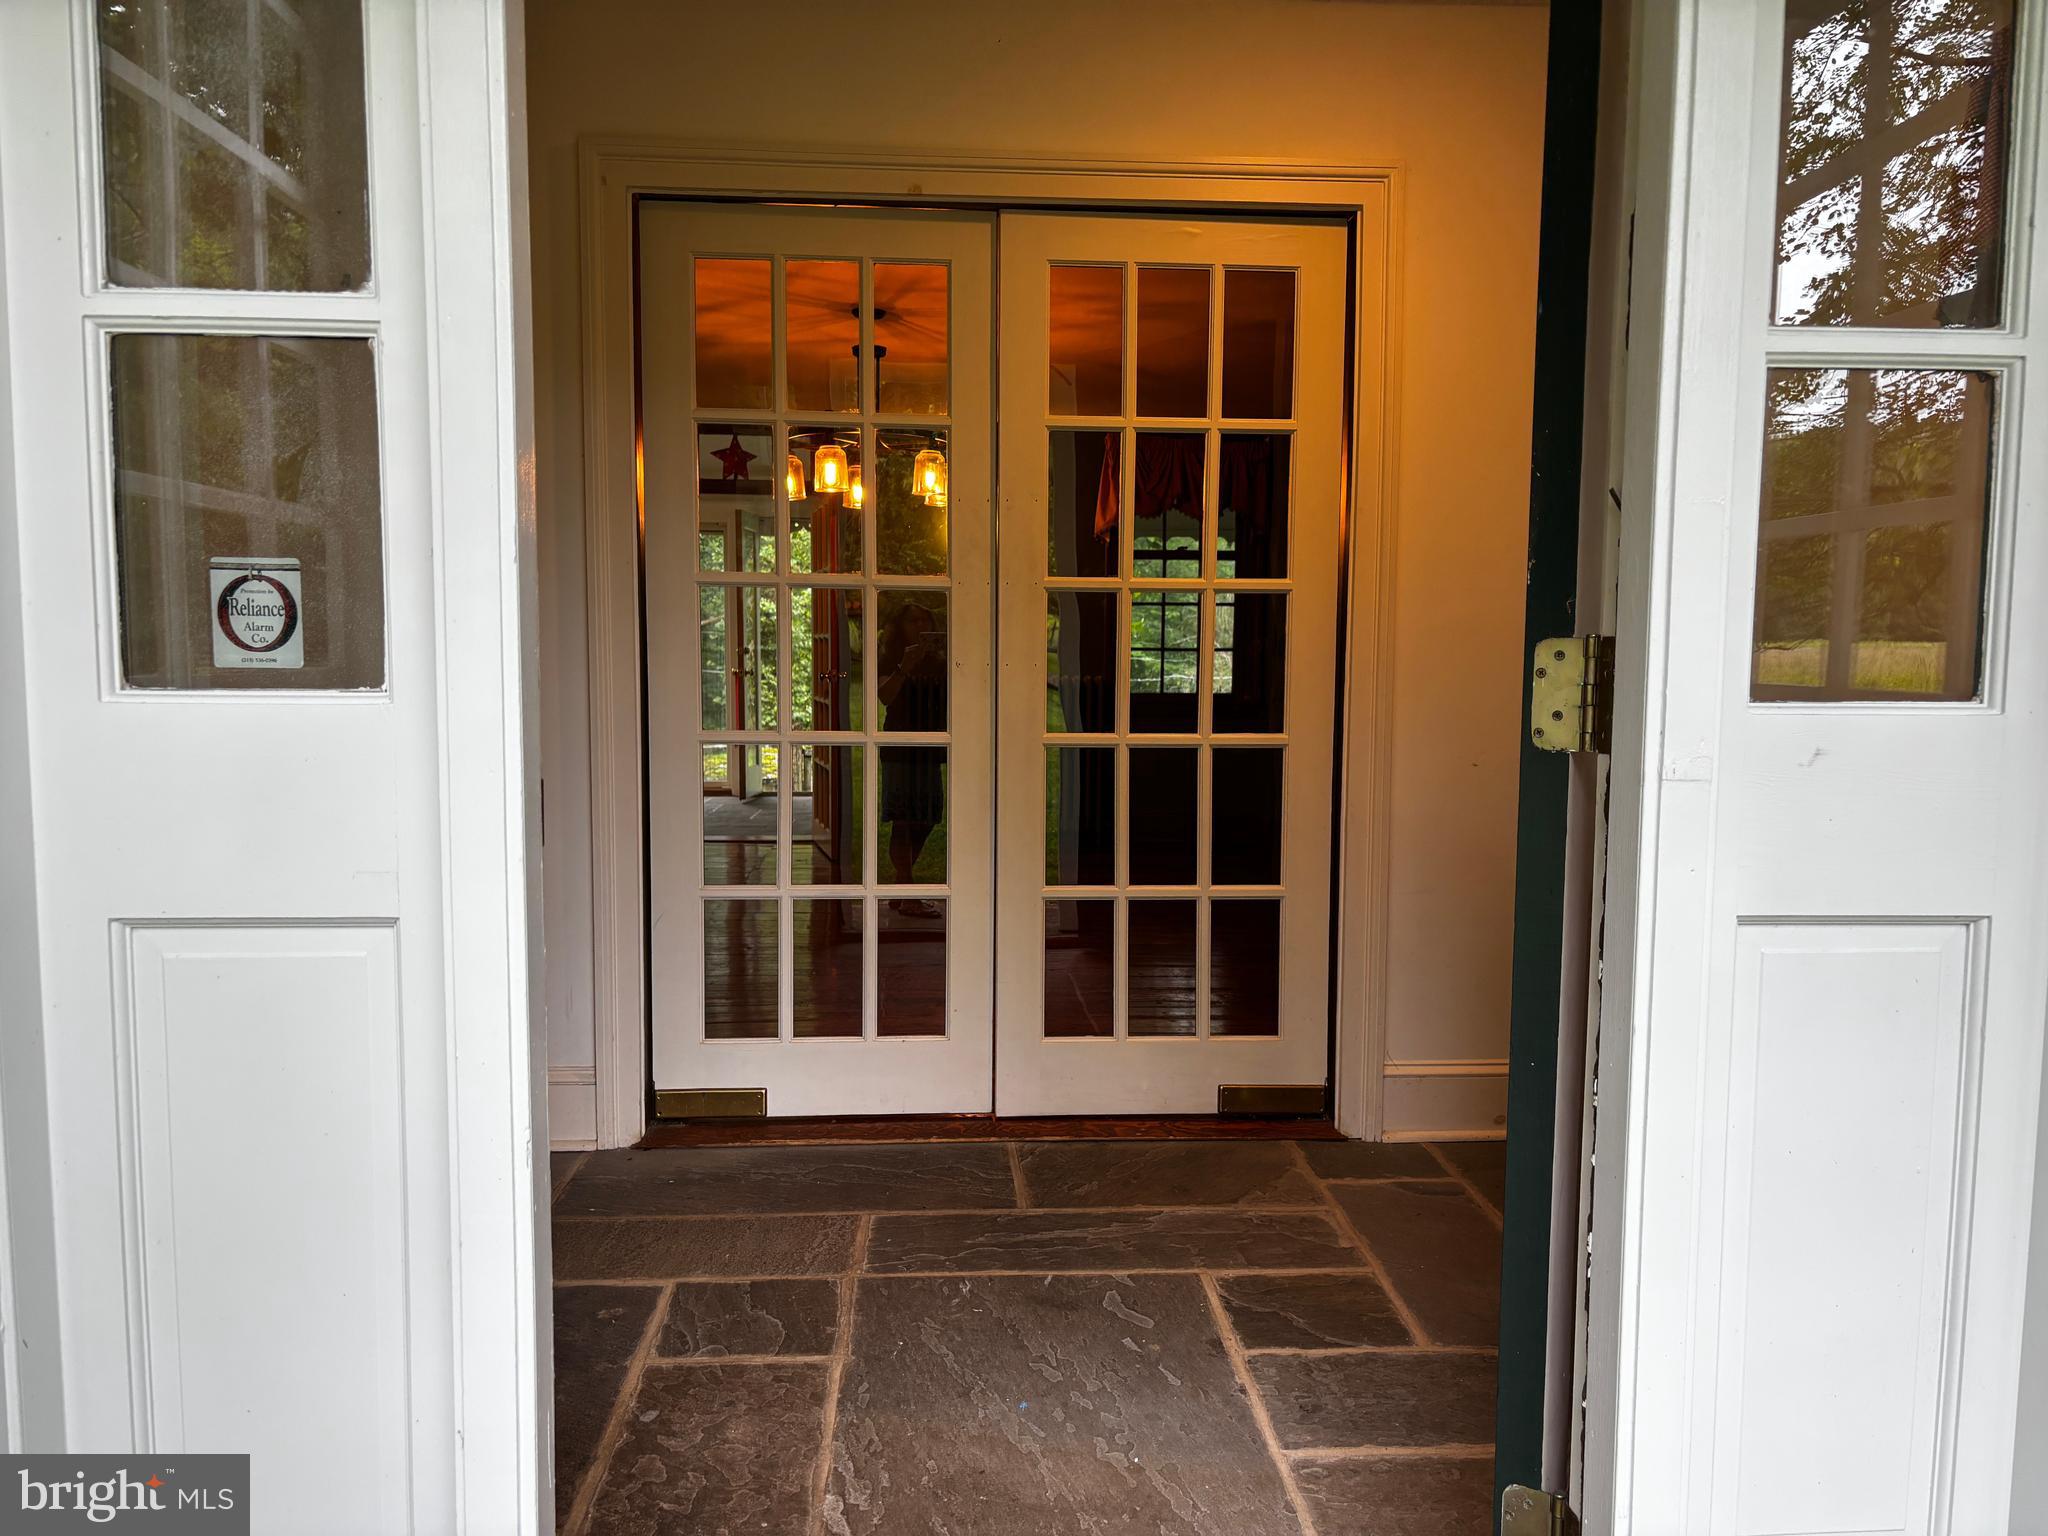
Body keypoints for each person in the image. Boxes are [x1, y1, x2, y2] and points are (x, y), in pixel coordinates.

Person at [877, 600, 945, 916]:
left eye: (924, 620)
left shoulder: (939, 660)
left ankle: (901, 887)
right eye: (912, 621)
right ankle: (907, 890)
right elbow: (885, 696)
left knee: (928, 815)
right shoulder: (890, 657)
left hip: (931, 742)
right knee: (904, 818)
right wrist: (905, 665)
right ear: (899, 627)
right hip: (901, 742)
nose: (919, 626)